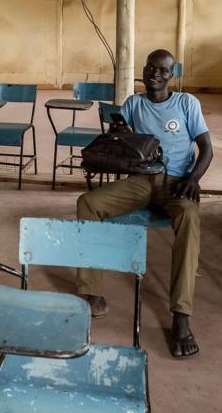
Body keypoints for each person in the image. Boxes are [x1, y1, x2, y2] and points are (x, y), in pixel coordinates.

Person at [75, 49, 213, 359]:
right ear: (144, 69)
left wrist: (193, 178)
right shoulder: (134, 104)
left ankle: (181, 315)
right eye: (152, 67)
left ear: (171, 74)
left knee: (189, 219)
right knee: (88, 203)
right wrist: (118, 137)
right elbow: (128, 147)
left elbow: (206, 148)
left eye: (163, 70)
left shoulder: (186, 104)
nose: (156, 74)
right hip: (140, 182)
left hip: (176, 182)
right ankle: (91, 293)